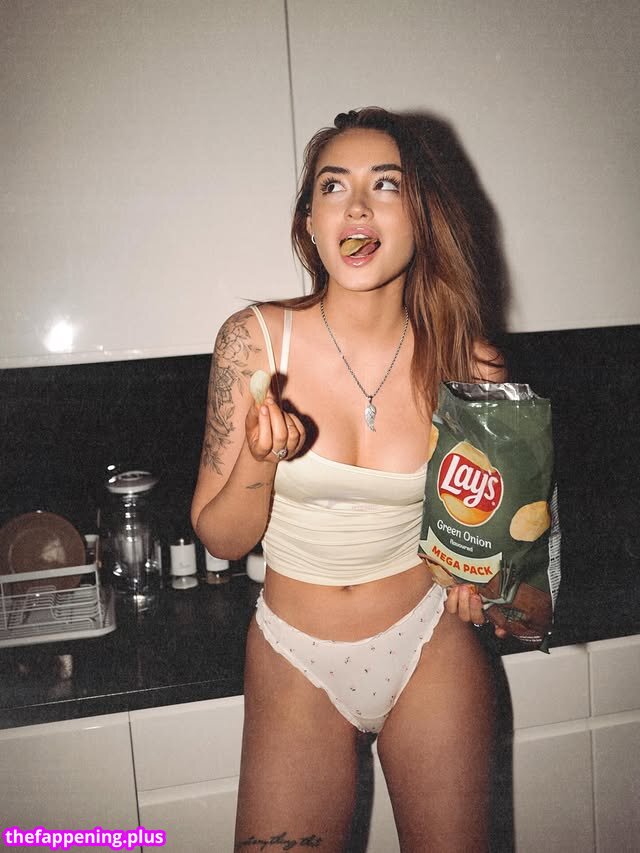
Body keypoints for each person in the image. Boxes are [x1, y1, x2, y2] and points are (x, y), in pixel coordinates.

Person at [192, 107, 507, 853]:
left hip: (429, 645)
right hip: (293, 658)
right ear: (310, 222)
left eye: (385, 185)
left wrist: (482, 577)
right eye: (333, 186)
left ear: (422, 214)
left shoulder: (472, 365)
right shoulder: (255, 342)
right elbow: (220, 538)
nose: (357, 208)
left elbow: (486, 534)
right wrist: (259, 460)